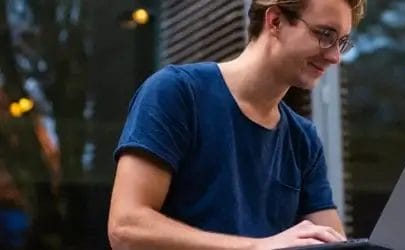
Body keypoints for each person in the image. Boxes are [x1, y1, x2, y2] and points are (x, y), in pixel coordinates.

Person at [107, 0, 365, 249]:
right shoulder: (177, 92)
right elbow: (126, 229)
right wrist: (258, 247)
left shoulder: (303, 139)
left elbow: (334, 245)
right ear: (275, 21)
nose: (335, 57)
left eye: (341, 43)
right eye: (326, 34)